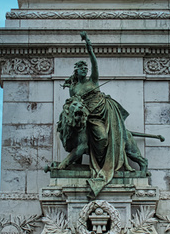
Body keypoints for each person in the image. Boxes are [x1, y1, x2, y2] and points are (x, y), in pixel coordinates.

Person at [58, 31, 147, 184]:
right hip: (86, 116)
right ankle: (75, 161)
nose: (85, 70)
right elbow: (73, 103)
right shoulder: (74, 88)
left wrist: (89, 46)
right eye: (81, 69)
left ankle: (103, 163)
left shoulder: (92, 80)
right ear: (76, 71)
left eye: (85, 68)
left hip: (101, 114)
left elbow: (94, 63)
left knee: (102, 138)